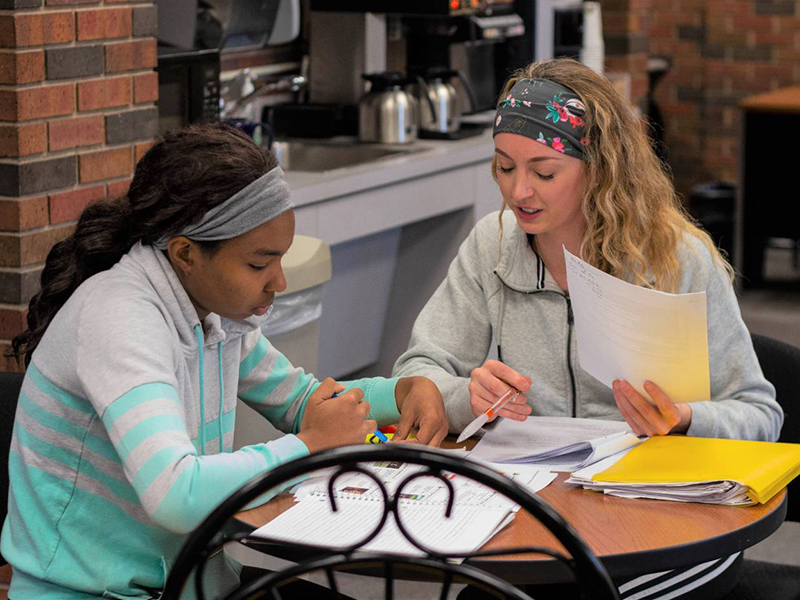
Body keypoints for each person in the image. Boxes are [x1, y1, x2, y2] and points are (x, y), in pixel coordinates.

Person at [1, 123, 448, 600]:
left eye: (280, 259)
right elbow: (175, 494)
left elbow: (300, 400)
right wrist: (310, 445)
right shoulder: (121, 319)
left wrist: (401, 393)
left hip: (191, 585)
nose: (278, 280)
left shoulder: (213, 312)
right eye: (259, 264)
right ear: (186, 254)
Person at [392, 59, 783, 599]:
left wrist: (685, 419)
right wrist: (465, 395)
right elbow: (420, 371)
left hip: (671, 528)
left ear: (599, 168)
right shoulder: (493, 245)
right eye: (504, 167)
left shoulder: (677, 259)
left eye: (544, 172)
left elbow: (760, 413)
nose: (519, 192)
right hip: (540, 521)